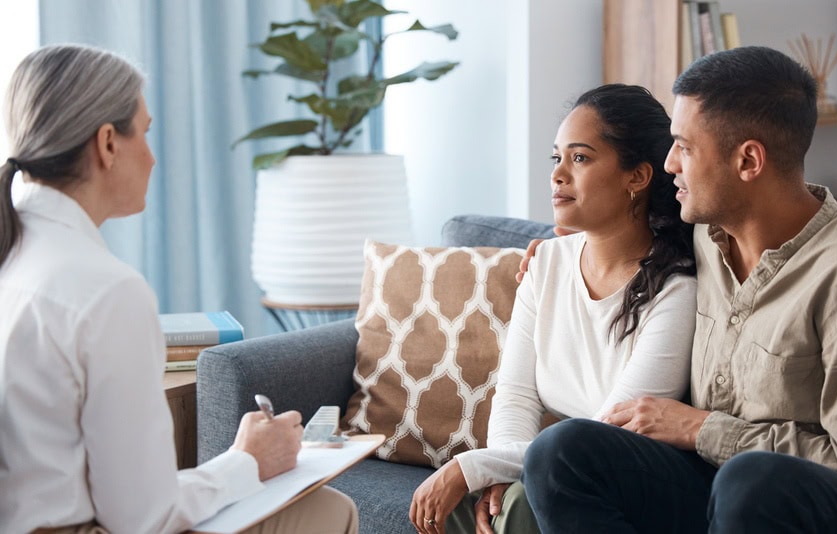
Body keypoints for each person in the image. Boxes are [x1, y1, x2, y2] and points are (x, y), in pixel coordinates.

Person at [521, 46, 837, 533]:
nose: (668, 164)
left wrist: (702, 429)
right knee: (564, 452)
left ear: (748, 160)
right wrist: (555, 251)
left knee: (751, 483)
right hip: (724, 486)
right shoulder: (705, 232)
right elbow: (626, 222)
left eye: (684, 146)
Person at [0, 44, 358, 533]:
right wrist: (247, 461)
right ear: (107, 143)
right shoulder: (106, 292)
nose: (151, 158)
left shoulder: (17, 257)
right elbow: (142, 518)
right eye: (144, 133)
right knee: (329, 511)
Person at [409, 84, 698, 534]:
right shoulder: (545, 262)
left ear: (637, 177)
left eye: (580, 158)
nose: (558, 174)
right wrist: (496, 474)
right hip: (547, 465)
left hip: (617, 478)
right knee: (480, 505)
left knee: (523, 502)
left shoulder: (676, 288)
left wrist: (474, 466)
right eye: (556, 158)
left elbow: (607, 435)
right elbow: (517, 394)